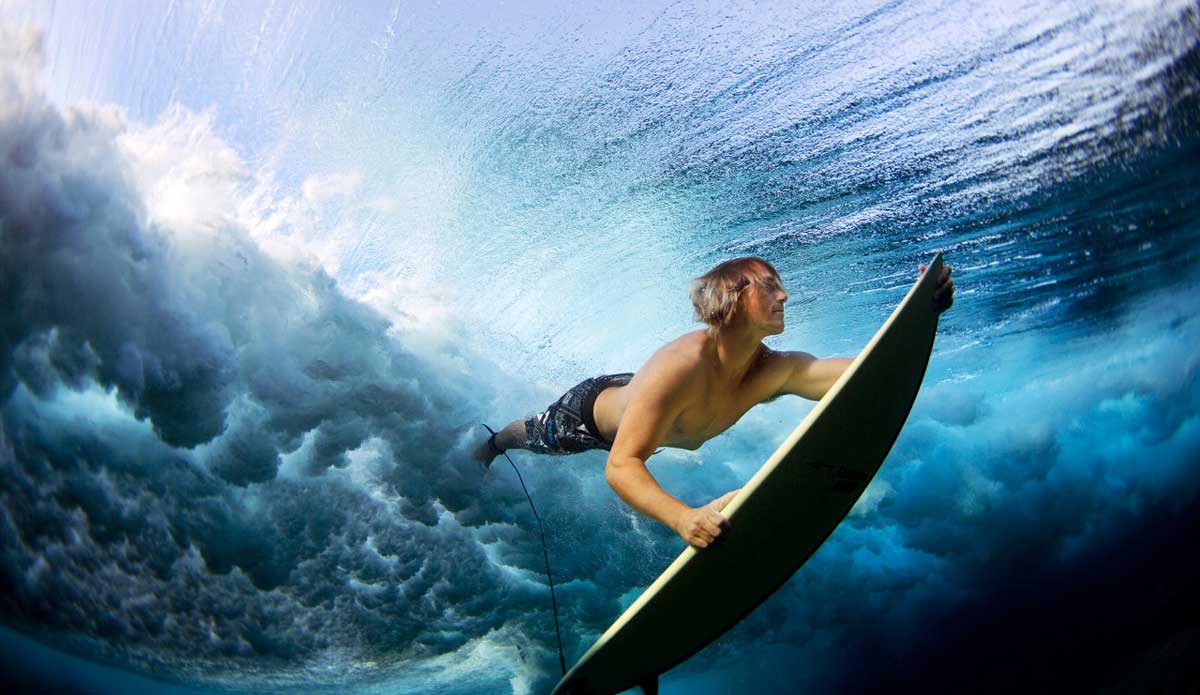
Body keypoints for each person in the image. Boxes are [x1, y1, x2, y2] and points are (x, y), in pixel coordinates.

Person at [476, 257, 954, 548]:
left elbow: (863, 371)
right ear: (732, 296)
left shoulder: (773, 370)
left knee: (646, 399)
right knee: (533, 435)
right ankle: (494, 441)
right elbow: (621, 466)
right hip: (589, 416)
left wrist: (922, 316)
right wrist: (684, 517)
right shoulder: (680, 366)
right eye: (769, 285)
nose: (784, 294)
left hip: (650, 398)